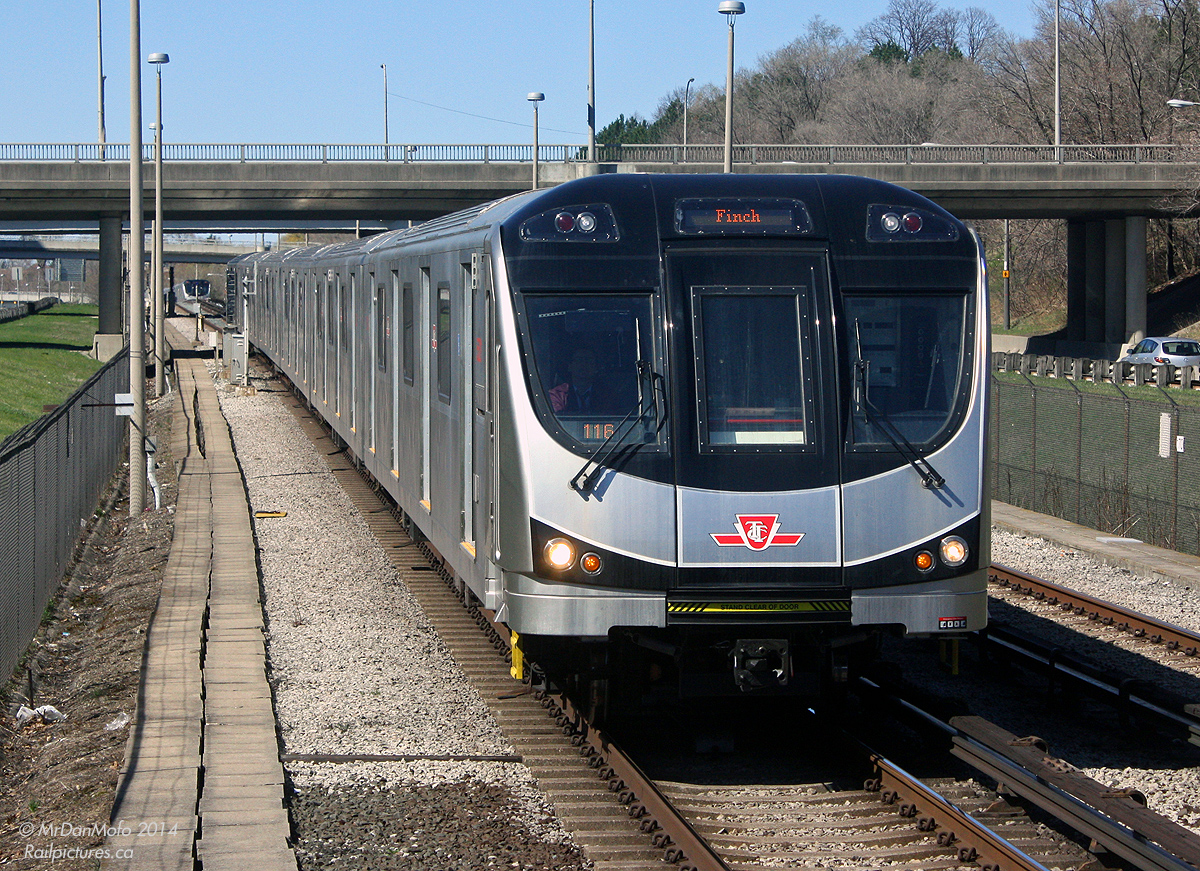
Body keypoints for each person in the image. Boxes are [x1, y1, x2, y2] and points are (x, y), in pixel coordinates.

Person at [549, 347, 609, 413]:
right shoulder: (558, 394)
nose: (583, 364)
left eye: (588, 361)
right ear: (570, 366)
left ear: (596, 368)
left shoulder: (606, 395)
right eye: (579, 360)